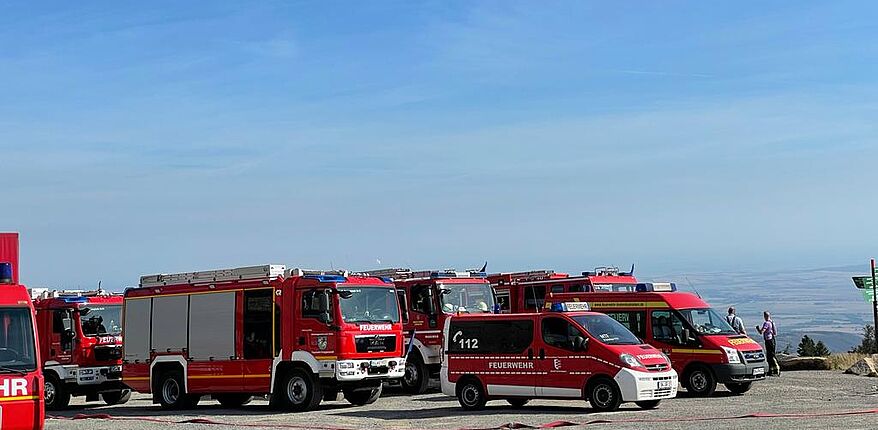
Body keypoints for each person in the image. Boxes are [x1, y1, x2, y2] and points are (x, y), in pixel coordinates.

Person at [756, 311, 780, 376]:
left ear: (765, 316)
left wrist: (758, 329)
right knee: (772, 355)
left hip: (768, 340)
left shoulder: (766, 323)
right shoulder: (772, 322)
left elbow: (762, 332)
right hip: (772, 340)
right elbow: (775, 333)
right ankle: (774, 370)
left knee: (769, 356)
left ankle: (772, 370)